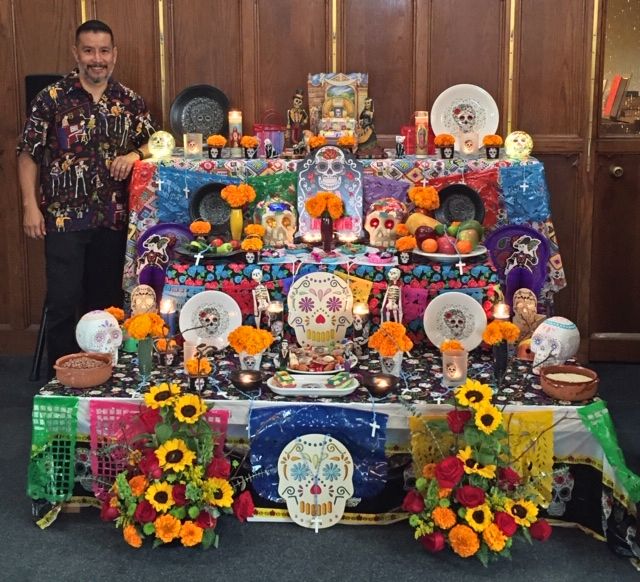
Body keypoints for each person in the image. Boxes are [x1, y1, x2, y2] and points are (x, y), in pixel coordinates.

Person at [17, 19, 156, 375]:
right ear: (76, 53)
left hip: (112, 220)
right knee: (63, 304)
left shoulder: (129, 101)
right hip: (63, 219)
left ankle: (102, 375)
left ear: (114, 54)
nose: (98, 59)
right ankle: (61, 380)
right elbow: (28, 153)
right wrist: (30, 207)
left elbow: (157, 144)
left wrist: (135, 155)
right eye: (89, 50)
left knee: (105, 306)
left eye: (104, 51)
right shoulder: (51, 99)